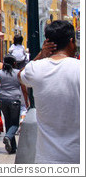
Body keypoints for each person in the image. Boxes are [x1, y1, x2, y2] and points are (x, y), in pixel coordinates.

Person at [18, 20, 80, 164]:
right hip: (76, 157)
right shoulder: (79, 68)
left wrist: (41, 54)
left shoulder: (36, 69)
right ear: (71, 41)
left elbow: (20, 76)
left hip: (46, 160)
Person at [0, 54, 28, 154]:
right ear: (14, 63)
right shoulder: (18, 73)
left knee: (8, 122)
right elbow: (24, 89)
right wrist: (26, 101)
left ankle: (12, 147)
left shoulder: (0, 73)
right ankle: (8, 137)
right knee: (15, 124)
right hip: (15, 100)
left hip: (2, 100)